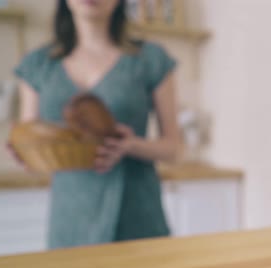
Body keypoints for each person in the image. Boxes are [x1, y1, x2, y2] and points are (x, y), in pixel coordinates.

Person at [9, 0, 182, 249]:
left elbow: (174, 149)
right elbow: (32, 136)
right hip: (71, 217)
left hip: (136, 214)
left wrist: (130, 146)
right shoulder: (38, 65)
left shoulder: (150, 60)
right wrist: (26, 153)